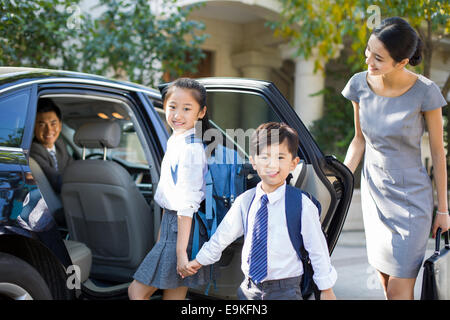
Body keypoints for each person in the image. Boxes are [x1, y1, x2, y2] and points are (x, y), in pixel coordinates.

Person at [341, 17, 449, 300]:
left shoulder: (425, 92)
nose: (369, 62)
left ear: (402, 62)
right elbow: (358, 140)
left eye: (378, 58)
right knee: (389, 291)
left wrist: (444, 210)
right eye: (368, 51)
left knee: (400, 292)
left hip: (412, 200)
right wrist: (339, 180)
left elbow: (438, 152)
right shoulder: (359, 86)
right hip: (375, 196)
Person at [185, 122, 337, 300]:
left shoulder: (301, 204)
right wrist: (199, 260)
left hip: (285, 290)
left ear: (293, 163)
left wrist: (326, 288)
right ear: (253, 161)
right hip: (249, 289)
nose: (272, 164)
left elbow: (317, 250)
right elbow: (222, 237)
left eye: (280, 157)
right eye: (265, 157)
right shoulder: (245, 201)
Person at [128, 78, 214, 300]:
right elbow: (170, 199)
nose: (177, 115)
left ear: (201, 112)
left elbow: (186, 204)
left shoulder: (191, 149)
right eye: (172, 107)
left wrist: (180, 252)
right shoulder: (176, 141)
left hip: (181, 230)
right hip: (173, 228)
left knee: (136, 292)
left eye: (187, 109)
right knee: (174, 296)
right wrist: (162, 239)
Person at [30, 98, 73, 194]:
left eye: (53, 124)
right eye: (42, 125)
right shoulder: (34, 150)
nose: (49, 131)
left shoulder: (60, 144)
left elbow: (73, 167)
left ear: (60, 125)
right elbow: (56, 181)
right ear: (33, 127)